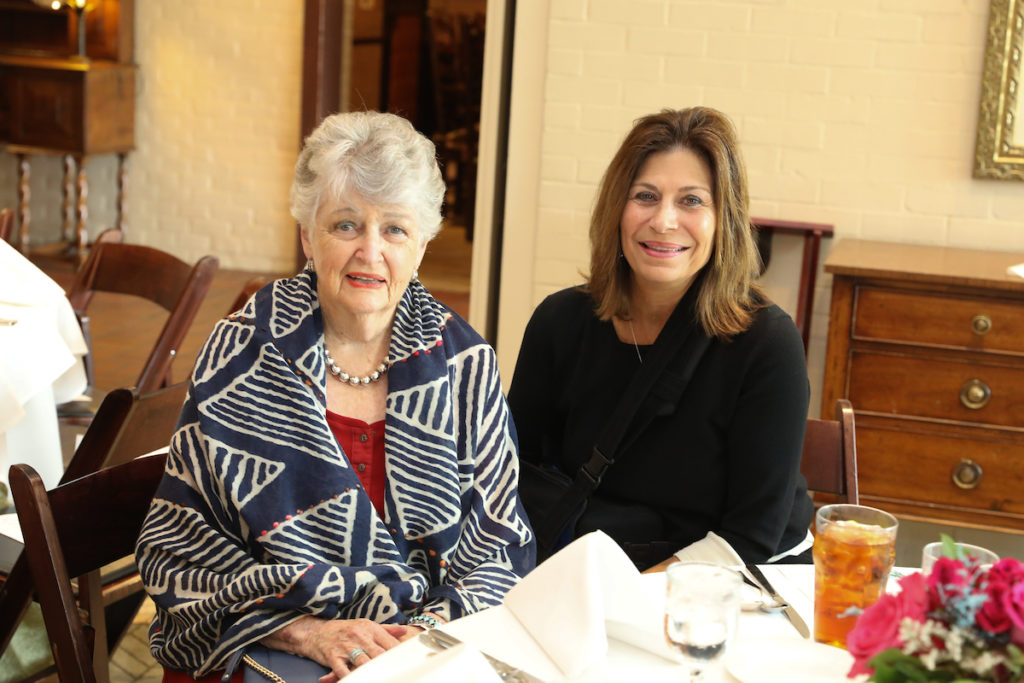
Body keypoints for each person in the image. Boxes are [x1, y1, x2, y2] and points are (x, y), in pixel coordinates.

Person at [136, 111, 535, 681]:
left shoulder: (464, 364)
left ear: (420, 247)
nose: (370, 252)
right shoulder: (243, 353)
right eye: (346, 225)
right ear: (307, 235)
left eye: (394, 229)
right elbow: (180, 552)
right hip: (269, 642)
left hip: (417, 647)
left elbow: (498, 546)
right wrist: (309, 633)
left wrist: (415, 645)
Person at [508, 106, 813, 572]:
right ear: (617, 209)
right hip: (590, 570)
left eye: (692, 201)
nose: (664, 221)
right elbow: (511, 473)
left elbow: (751, 535)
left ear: (723, 219)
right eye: (646, 196)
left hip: (730, 580)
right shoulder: (559, 321)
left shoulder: (767, 344)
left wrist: (627, 598)